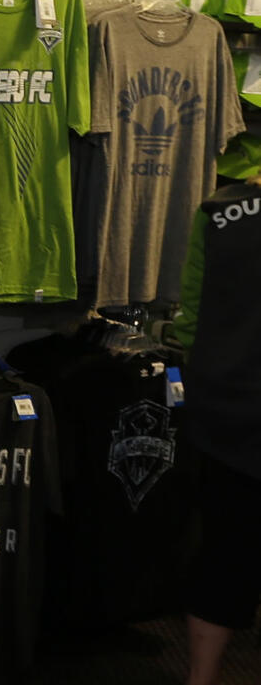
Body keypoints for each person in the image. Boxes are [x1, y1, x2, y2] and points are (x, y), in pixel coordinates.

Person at [172, 174, 261, 685]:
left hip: (230, 414)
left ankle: (201, 678)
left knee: (224, 556)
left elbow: (191, 323)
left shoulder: (220, 211)